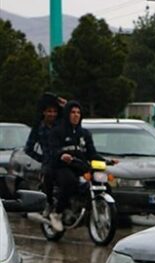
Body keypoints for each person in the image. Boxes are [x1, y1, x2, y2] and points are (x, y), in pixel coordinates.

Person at [48, 101, 101, 232]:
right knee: (69, 182)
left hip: (80, 167)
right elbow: (53, 150)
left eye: (78, 112)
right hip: (62, 167)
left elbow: (92, 153)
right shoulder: (57, 132)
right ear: (67, 114)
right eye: (72, 112)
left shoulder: (85, 134)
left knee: (102, 181)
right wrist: (62, 155)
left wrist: (108, 161)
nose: (76, 115)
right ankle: (57, 213)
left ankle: (95, 210)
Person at [24, 93, 64, 213]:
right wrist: (42, 159)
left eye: (54, 111)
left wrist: (61, 102)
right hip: (48, 163)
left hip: (63, 160)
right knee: (47, 177)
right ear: (43, 112)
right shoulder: (38, 128)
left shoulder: (61, 125)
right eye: (49, 111)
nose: (52, 114)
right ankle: (49, 204)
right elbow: (28, 148)